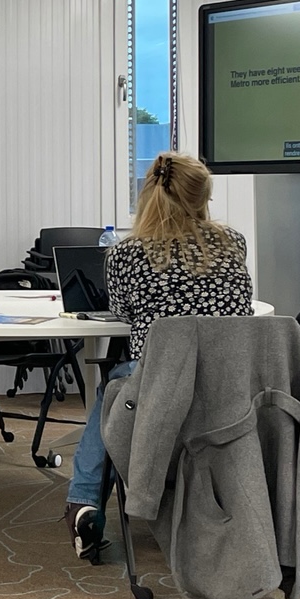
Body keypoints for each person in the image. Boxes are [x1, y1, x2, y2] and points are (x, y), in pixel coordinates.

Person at [65, 151, 253, 559]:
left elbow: (122, 312)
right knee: (125, 381)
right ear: (204, 197)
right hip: (231, 384)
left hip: (160, 387)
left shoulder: (126, 254)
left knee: (114, 388)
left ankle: (83, 502)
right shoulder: (232, 242)